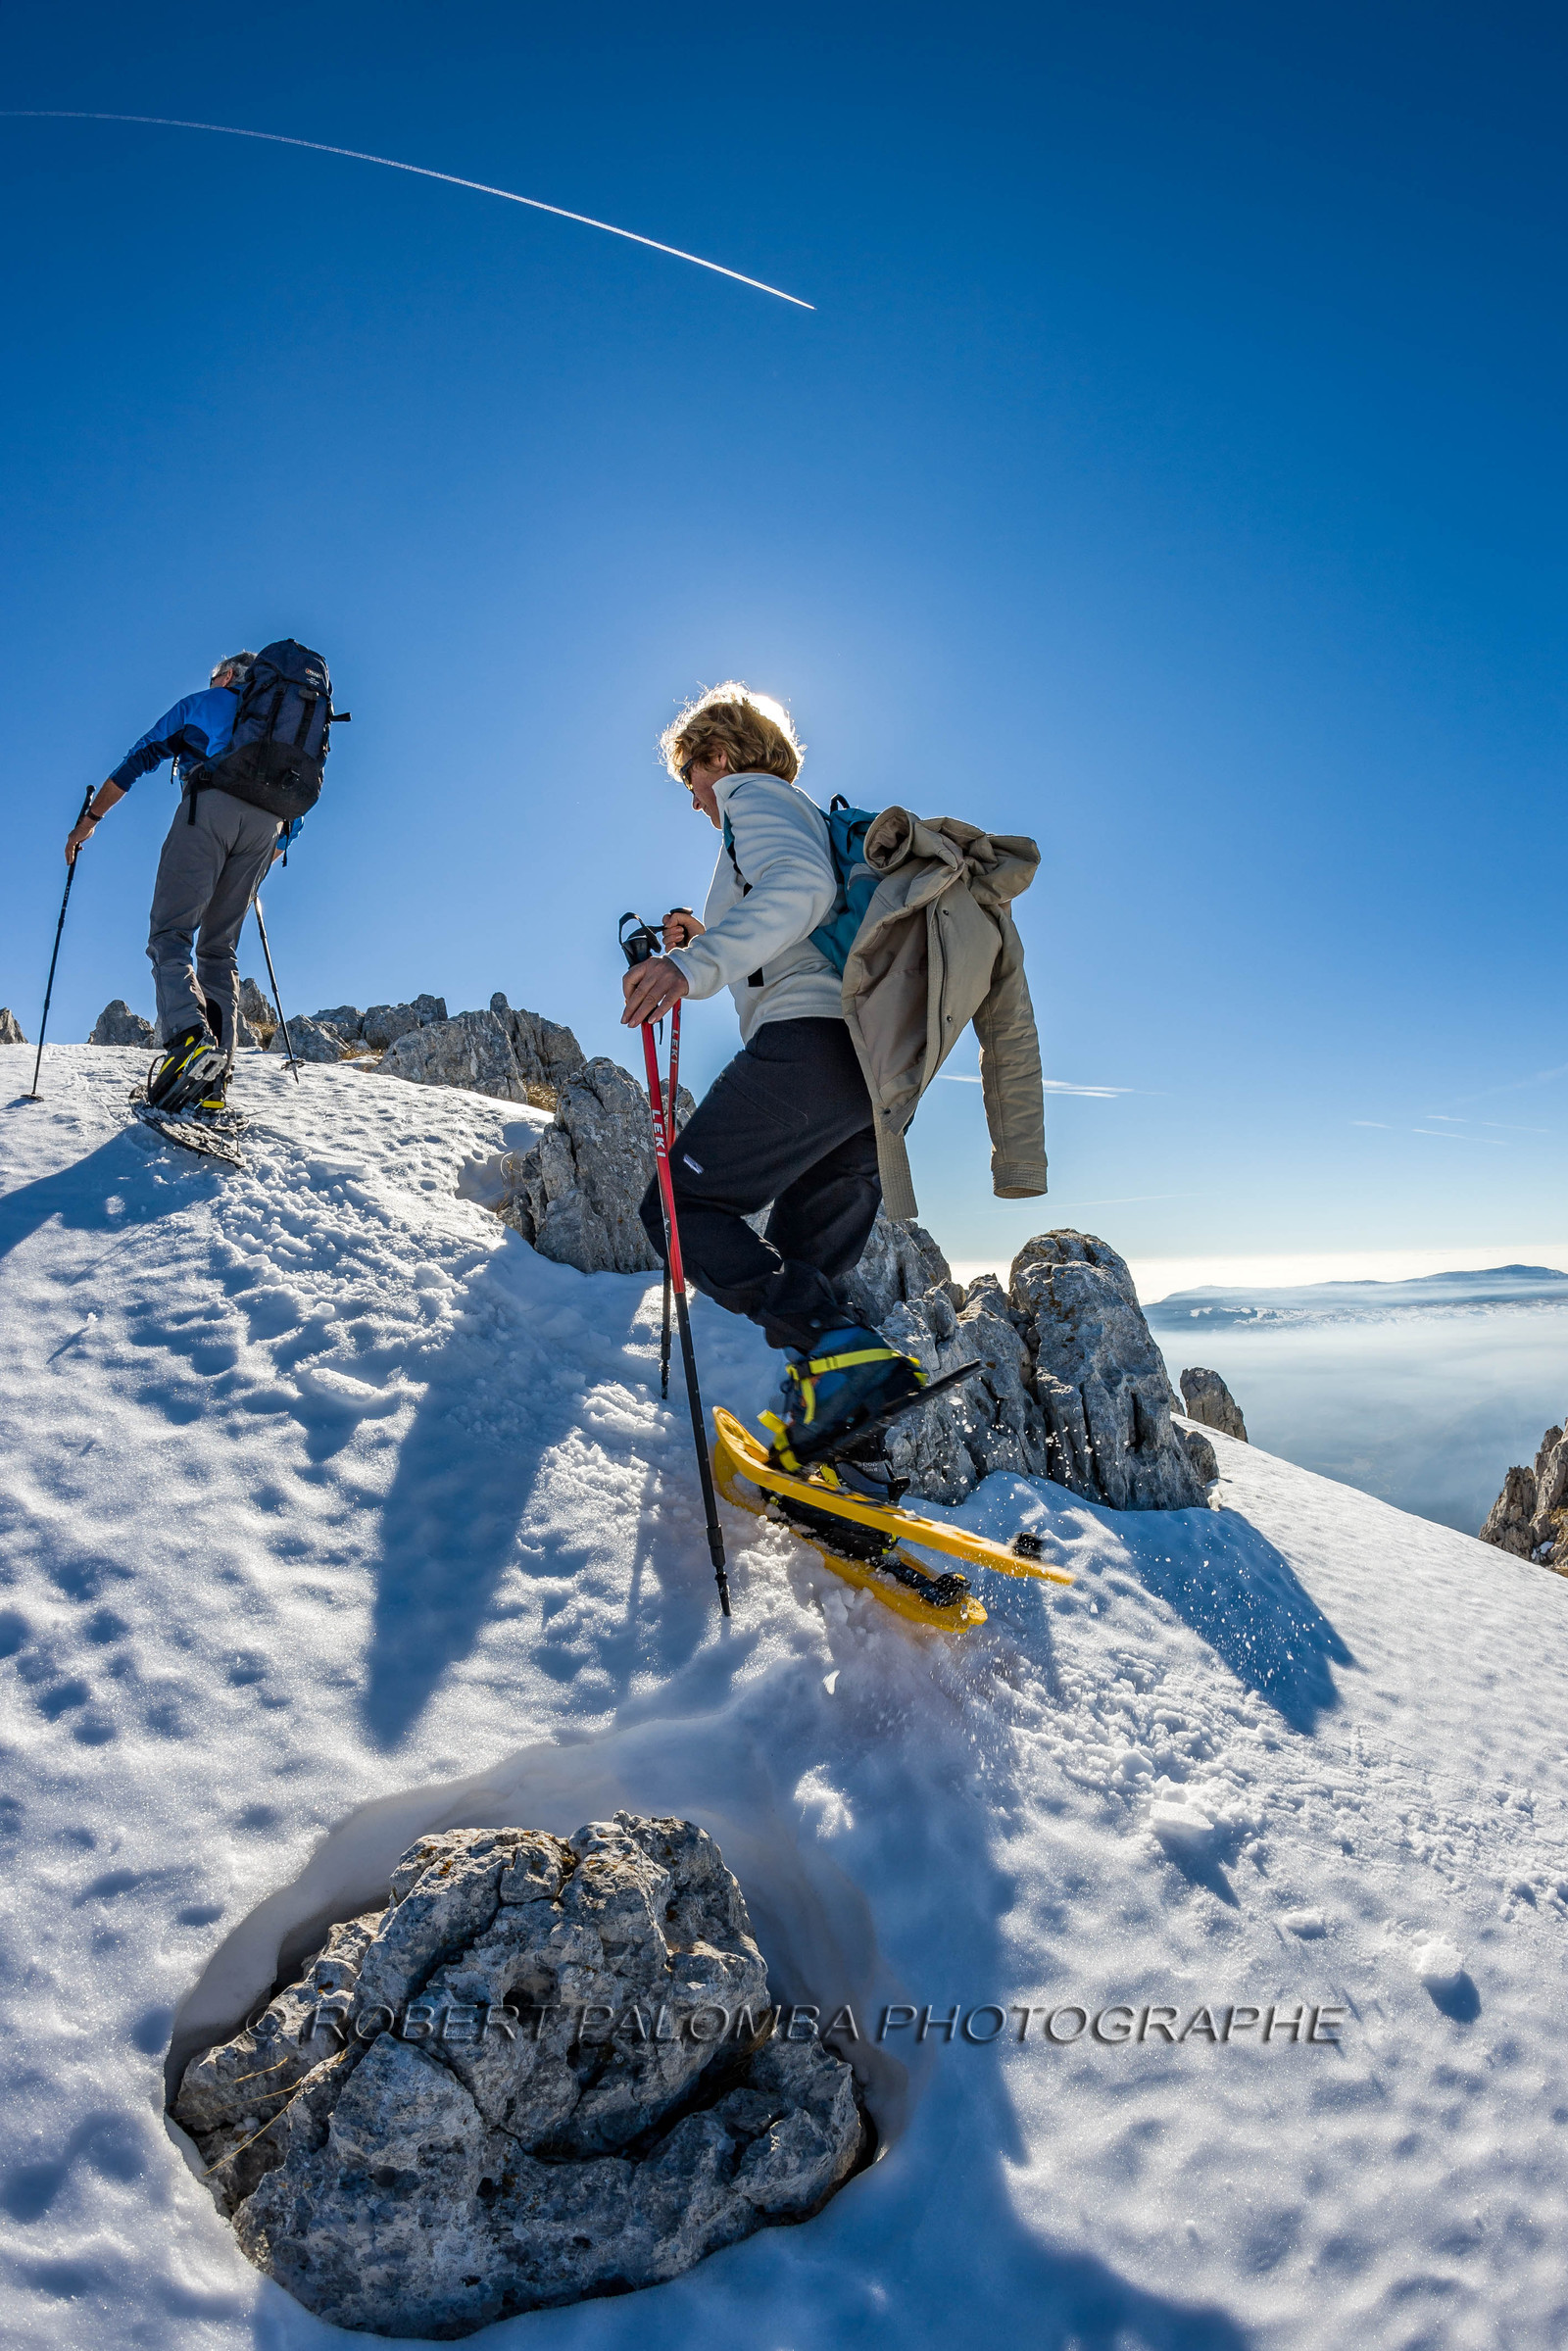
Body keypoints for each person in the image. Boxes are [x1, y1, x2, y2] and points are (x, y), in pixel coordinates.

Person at [622, 682, 923, 1465]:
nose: (695, 801)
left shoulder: (753, 797)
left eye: (691, 778)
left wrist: (693, 963)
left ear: (716, 756)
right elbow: (798, 909)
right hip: (865, 1075)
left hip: (811, 1047)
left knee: (677, 1208)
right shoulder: (802, 817)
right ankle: (853, 1461)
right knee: (807, 1268)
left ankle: (840, 1376)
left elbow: (801, 889)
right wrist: (707, 925)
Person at [66, 652, 290, 1113]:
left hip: (208, 808)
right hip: (267, 829)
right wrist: (261, 854)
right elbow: (297, 811)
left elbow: (142, 755)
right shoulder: (281, 723)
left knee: (170, 934)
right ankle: (214, 1083)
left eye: (215, 675)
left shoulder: (205, 702)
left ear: (228, 675)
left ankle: (189, 1042)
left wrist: (89, 820)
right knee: (219, 948)